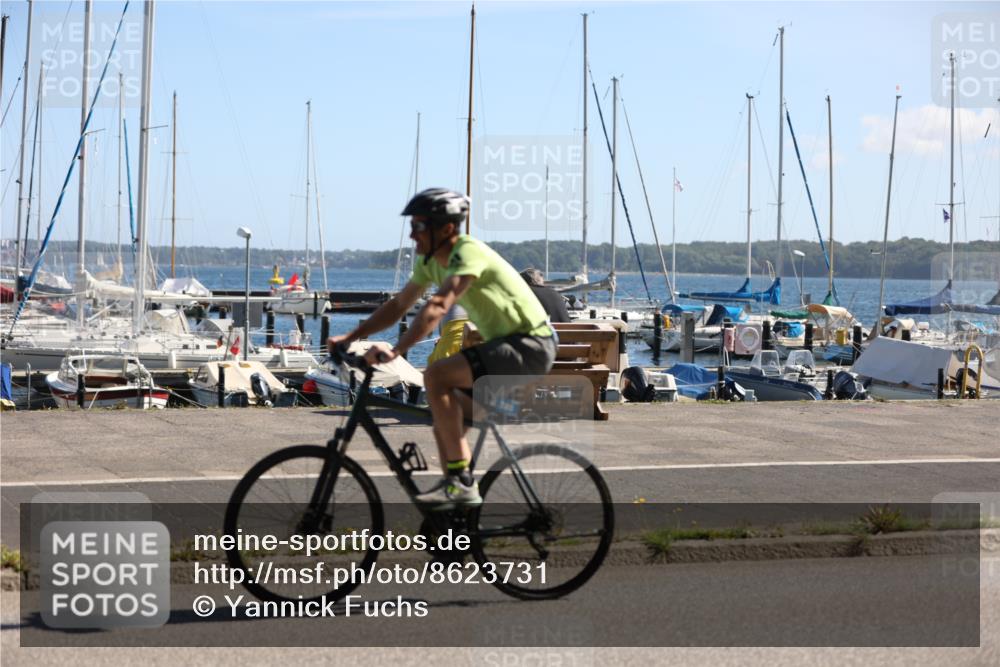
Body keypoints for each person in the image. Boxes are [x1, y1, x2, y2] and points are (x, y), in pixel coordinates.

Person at [327, 188, 556, 509]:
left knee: (436, 376)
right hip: (504, 346)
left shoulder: (467, 253)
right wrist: (350, 337)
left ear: (446, 229)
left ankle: (461, 485)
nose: (411, 234)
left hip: (530, 344)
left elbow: (437, 306)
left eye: (419, 226)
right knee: (443, 421)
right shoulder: (430, 262)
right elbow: (398, 306)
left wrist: (395, 351)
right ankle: (455, 528)